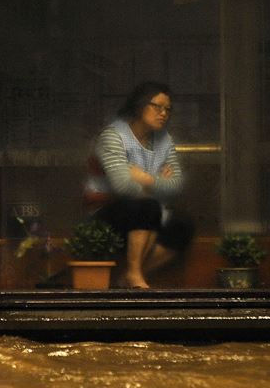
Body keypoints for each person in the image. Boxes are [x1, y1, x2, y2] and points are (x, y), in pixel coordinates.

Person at [83, 81, 194, 288]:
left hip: (145, 210)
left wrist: (145, 178)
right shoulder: (114, 136)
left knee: (182, 225)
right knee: (147, 206)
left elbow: (176, 186)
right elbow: (122, 187)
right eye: (157, 106)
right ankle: (134, 275)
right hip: (106, 212)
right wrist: (160, 182)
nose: (164, 113)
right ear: (139, 105)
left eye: (167, 109)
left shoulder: (164, 140)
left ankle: (130, 276)